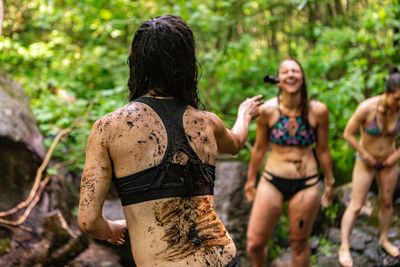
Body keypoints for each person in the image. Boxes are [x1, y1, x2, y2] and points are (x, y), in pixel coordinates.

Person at [77, 14, 262, 267]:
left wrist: (112, 229)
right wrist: (245, 114)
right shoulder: (207, 122)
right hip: (224, 258)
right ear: (187, 65)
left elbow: (89, 221)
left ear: (137, 63)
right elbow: (237, 141)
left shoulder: (108, 128)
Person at [245, 58, 335, 267]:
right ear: (278, 80)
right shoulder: (267, 110)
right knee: (255, 244)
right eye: (285, 72)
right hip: (271, 181)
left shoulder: (318, 111)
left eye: (295, 71)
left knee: (299, 244)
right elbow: (259, 148)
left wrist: (330, 182)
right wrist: (250, 180)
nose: (291, 75)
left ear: (302, 78)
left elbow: (323, 150)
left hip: (307, 183)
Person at [338, 66, 400, 267]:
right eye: (397, 98)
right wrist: (365, 154)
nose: (399, 103)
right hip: (365, 161)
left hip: (389, 162)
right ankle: (344, 247)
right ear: (386, 93)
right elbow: (348, 133)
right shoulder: (367, 108)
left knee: (387, 202)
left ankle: (384, 239)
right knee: (356, 205)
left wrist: (396, 155)